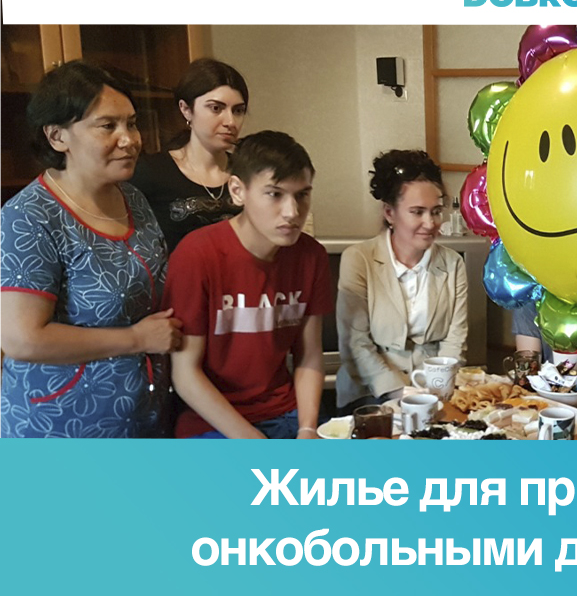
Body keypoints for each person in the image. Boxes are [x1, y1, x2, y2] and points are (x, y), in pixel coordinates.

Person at [0, 60, 182, 438]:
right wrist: (136, 339)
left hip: (143, 418)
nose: (129, 139)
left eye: (132, 123)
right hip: (62, 428)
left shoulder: (133, 198)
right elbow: (21, 338)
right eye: (107, 126)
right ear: (57, 136)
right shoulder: (28, 217)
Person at [164, 131, 331, 438]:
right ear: (238, 191)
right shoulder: (197, 254)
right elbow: (186, 374)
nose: (292, 212)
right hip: (211, 420)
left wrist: (308, 429)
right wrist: (253, 442)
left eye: (302, 195)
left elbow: (309, 355)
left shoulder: (311, 256)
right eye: (275, 194)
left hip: (286, 411)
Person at [335, 150, 468, 414]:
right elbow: (356, 344)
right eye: (417, 212)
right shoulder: (359, 259)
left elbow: (456, 340)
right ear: (389, 212)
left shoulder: (453, 263)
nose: (430, 223)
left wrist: (436, 391)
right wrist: (401, 393)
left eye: (436, 212)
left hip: (435, 390)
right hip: (370, 392)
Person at [129, 58, 247, 251]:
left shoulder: (249, 172)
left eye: (238, 110)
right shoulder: (151, 173)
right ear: (186, 109)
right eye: (216, 108)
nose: (230, 122)